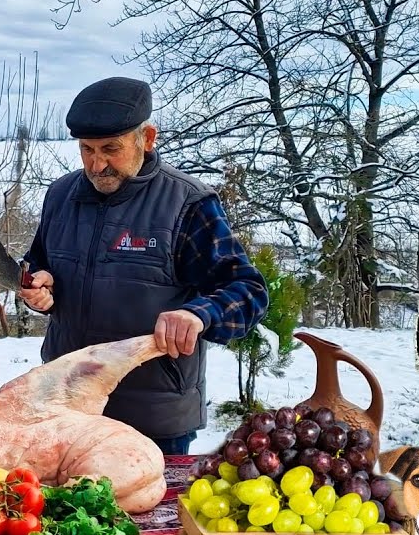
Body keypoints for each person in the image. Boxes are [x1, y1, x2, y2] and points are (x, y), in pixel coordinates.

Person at [17, 77, 269, 455]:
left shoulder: (188, 203)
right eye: (86, 149)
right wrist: (39, 287)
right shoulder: (60, 196)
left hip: (152, 420)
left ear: (147, 138)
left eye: (111, 149)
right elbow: (39, 264)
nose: (97, 164)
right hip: (66, 406)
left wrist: (198, 314)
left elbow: (248, 291)